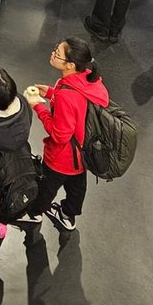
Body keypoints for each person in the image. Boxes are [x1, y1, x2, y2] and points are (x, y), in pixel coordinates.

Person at [21, 37, 108, 231]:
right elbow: (80, 108)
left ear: (69, 65)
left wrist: (38, 107)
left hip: (62, 157)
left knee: (47, 187)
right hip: (83, 152)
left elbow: (60, 135)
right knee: (77, 187)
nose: (52, 54)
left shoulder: (67, 95)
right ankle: (68, 215)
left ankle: (33, 213)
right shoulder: (88, 80)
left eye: (57, 53)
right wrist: (52, 93)